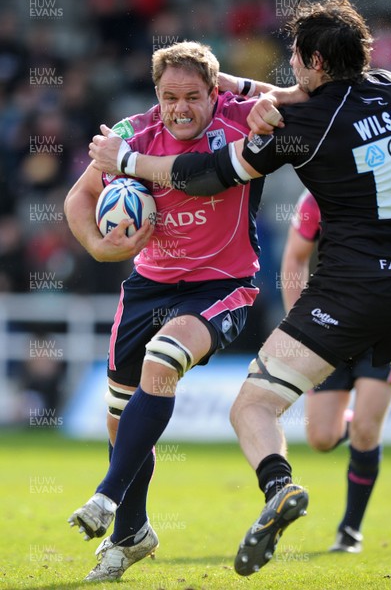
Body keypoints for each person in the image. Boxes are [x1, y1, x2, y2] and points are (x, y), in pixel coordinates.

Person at [87, 0, 391, 588]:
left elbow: (207, 174)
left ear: (313, 60)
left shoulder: (301, 126)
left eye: (295, 58)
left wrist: (127, 158)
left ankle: (279, 485)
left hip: (350, 288)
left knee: (253, 406)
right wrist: (241, 87)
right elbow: (313, 95)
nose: (289, 69)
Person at [64, 40, 303, 582]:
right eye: (169, 97)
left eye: (193, 96)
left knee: (164, 356)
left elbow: (295, 100)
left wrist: (247, 89)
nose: (180, 108)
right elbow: (77, 201)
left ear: (214, 92)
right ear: (156, 95)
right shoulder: (132, 132)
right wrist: (100, 249)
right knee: (118, 419)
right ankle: (131, 534)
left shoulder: (242, 118)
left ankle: (104, 498)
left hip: (221, 285)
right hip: (148, 284)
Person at [281, 183, 391, 554]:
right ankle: (354, 424)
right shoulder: (318, 197)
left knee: (366, 427)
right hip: (333, 325)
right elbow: (294, 257)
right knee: (321, 438)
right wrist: (298, 325)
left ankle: (350, 530)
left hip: (389, 329)